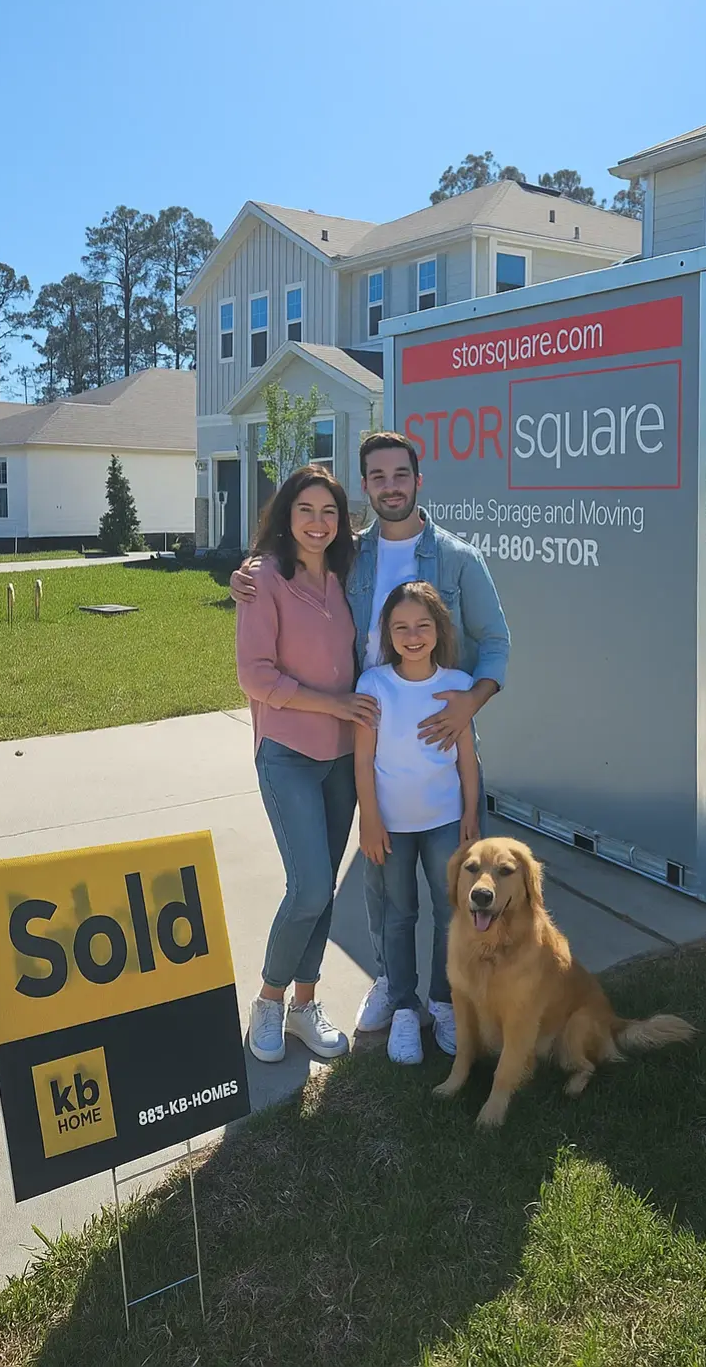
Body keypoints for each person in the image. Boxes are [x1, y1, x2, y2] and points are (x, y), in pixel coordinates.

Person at [230, 431, 510, 1046]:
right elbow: (284, 574)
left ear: (418, 478)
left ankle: (449, 998)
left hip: (441, 747)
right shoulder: (348, 555)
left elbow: (496, 643)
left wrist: (472, 700)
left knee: (453, 885)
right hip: (368, 746)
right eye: (377, 477)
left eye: (399, 474)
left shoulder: (458, 559)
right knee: (380, 879)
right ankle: (390, 983)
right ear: (366, 486)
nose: (390, 486)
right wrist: (244, 575)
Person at [235, 465, 380, 1065]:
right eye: (306, 511)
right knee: (311, 887)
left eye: (329, 513)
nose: (318, 524)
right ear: (285, 516)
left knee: (319, 893)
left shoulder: (345, 576)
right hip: (289, 755)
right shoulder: (264, 579)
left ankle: (304, 1003)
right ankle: (268, 1000)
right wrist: (334, 703)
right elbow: (255, 675)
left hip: (342, 759)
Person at [354, 581, 480, 1064]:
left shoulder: (457, 686)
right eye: (401, 626)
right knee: (399, 914)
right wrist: (370, 818)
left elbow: (468, 759)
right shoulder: (373, 685)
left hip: (445, 822)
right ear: (387, 631)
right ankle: (404, 1007)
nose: (412, 635)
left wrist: (470, 813)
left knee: (451, 912)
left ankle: (442, 1002)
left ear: (438, 629)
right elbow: (363, 761)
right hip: (391, 826)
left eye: (422, 625)